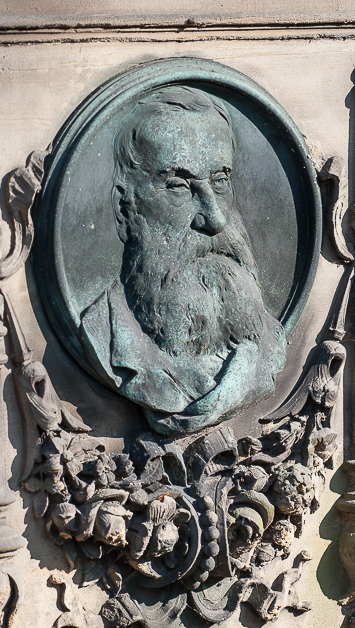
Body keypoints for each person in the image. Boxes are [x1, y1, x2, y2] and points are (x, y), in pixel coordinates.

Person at [79, 86, 286, 435]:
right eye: (178, 186)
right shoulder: (105, 335)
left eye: (220, 181)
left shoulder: (267, 339)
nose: (216, 219)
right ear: (124, 209)